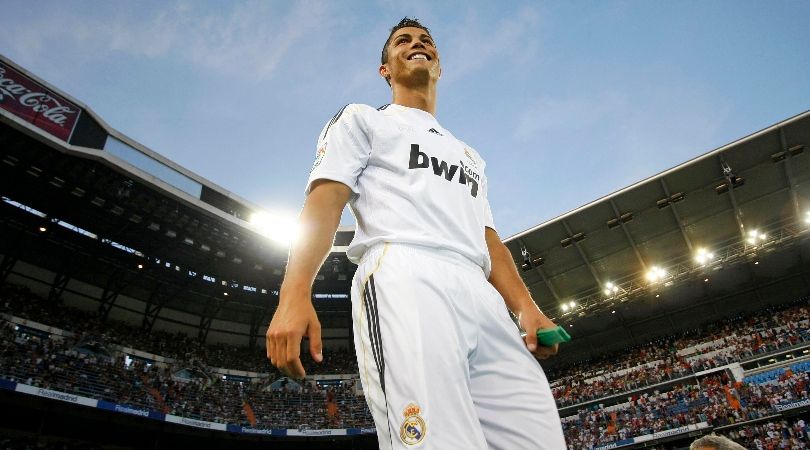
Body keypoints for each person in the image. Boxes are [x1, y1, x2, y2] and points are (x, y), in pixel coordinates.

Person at [266, 17, 566, 449]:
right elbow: (324, 203)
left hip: (480, 293)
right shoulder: (363, 120)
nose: (416, 44)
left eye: (426, 40)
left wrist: (526, 309)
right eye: (403, 41)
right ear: (385, 69)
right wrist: (294, 293)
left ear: (439, 65)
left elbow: (487, 238)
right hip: (404, 274)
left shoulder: (469, 156)